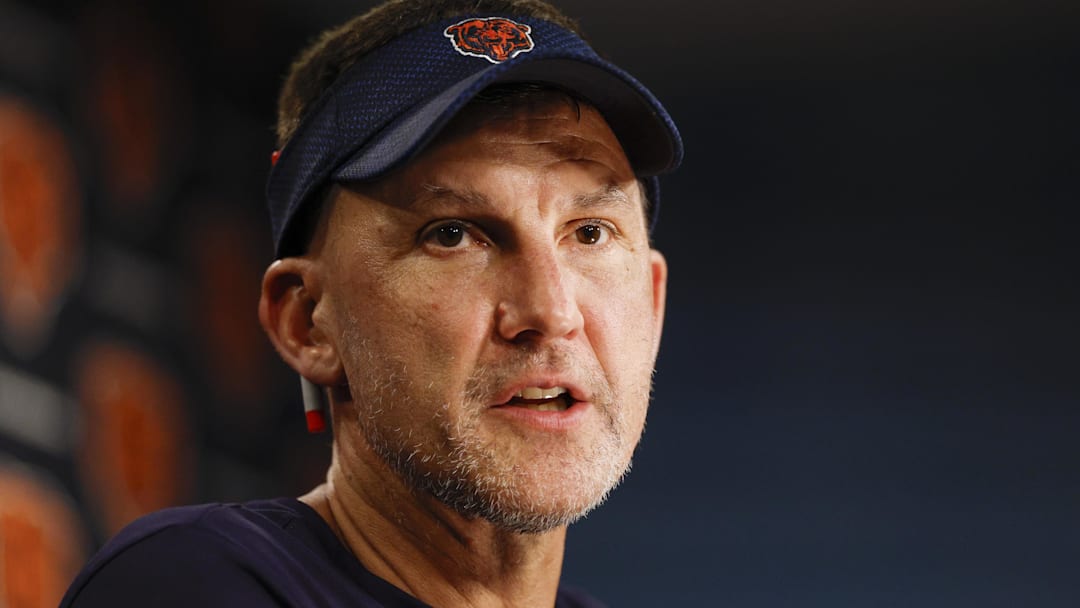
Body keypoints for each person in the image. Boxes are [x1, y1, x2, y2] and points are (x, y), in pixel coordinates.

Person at [61, 0, 682, 605]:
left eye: (591, 232)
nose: (550, 311)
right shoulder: (192, 581)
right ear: (307, 323)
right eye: (452, 234)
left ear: (652, 307)